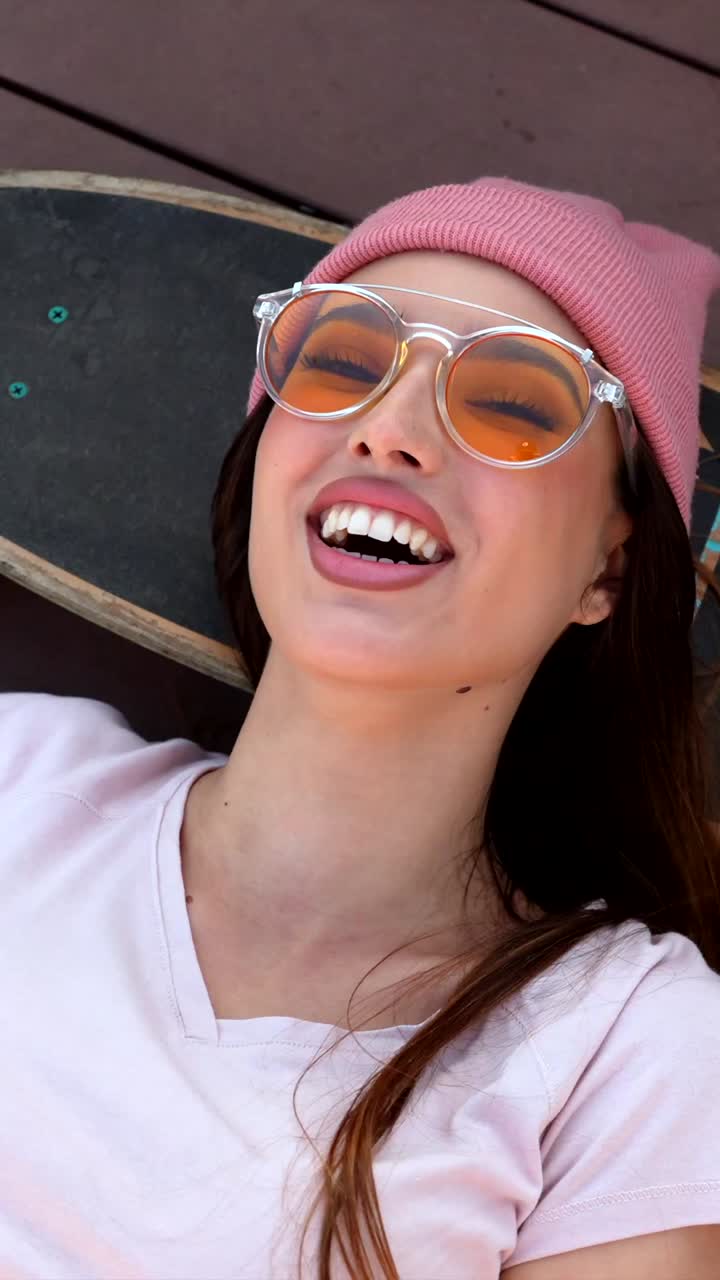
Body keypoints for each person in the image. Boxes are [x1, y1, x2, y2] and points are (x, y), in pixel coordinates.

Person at [1, 175, 720, 1280]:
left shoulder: (625, 1042)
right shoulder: (19, 774)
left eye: (518, 401)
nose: (389, 429)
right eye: (340, 360)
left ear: (611, 566)